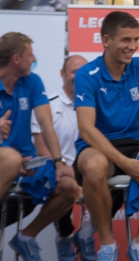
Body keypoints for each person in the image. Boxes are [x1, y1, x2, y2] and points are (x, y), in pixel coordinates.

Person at [73, 11, 139, 261]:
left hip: (135, 143)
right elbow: (87, 129)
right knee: (94, 164)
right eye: (125, 40)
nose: (132, 46)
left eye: (136, 39)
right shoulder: (86, 74)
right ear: (106, 40)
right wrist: (124, 164)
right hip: (98, 145)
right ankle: (108, 245)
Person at [0, 33, 82, 261]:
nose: (33, 59)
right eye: (30, 54)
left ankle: (26, 236)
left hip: (27, 162)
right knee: (9, 158)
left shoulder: (32, 81)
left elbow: (46, 124)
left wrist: (59, 162)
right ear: (16, 59)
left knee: (69, 186)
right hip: (7, 161)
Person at [30, 54, 87, 260]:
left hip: (88, 170)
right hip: (58, 169)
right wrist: (64, 167)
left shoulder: (97, 106)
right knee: (66, 183)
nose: (78, 76)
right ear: (62, 74)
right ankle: (65, 236)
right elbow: (41, 148)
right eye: (73, 71)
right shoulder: (49, 105)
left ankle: (86, 236)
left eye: (83, 72)